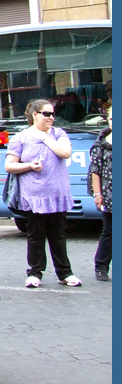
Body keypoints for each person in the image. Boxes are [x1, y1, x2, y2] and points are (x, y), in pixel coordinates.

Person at [5, 98, 82, 288]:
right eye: (46, 114)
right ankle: (34, 273)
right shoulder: (21, 137)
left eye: (53, 114)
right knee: (36, 235)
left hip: (57, 194)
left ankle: (65, 273)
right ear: (35, 115)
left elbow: (65, 153)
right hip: (33, 195)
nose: (51, 117)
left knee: (58, 234)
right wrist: (30, 166)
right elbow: (9, 165)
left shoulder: (58, 133)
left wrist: (46, 138)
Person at [88, 105, 112, 281]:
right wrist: (98, 194)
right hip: (110, 195)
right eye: (112, 118)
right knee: (109, 231)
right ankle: (101, 266)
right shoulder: (101, 144)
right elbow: (95, 171)